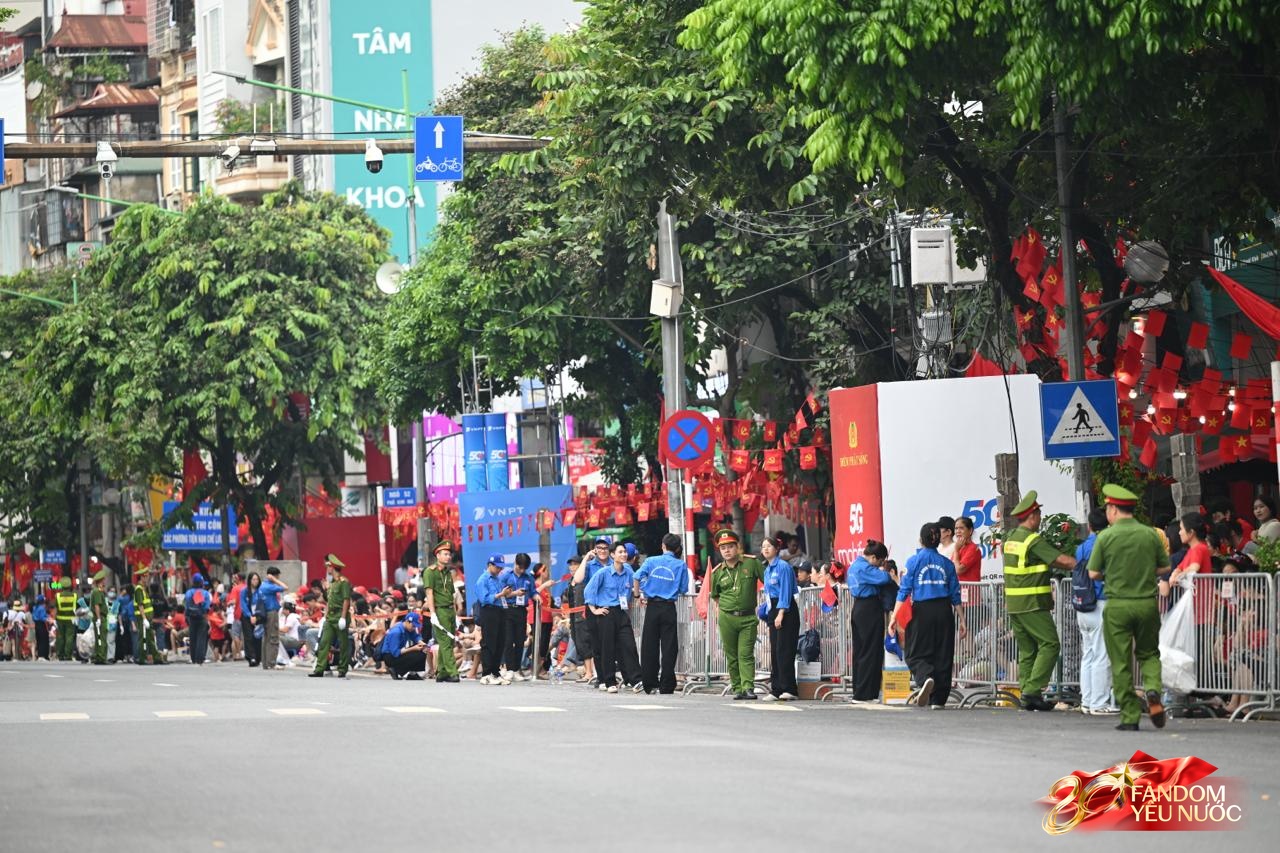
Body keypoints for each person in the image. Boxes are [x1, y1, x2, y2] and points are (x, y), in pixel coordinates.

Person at [1088, 484, 1170, 731]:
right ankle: (1153, 689)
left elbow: (1092, 573)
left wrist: (1112, 575)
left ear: (1113, 509)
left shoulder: (1106, 536)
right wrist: (1144, 572)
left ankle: (1130, 716)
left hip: (1118, 606)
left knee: (1120, 661)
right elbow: (1165, 568)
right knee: (1149, 653)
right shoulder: (1149, 534)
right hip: (1146, 603)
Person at [1001, 491, 1076, 711]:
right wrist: (1084, 563)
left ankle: (1027, 693)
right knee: (1051, 644)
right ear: (1032, 515)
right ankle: (1033, 690)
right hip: (1032, 603)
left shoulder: (1011, 539)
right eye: (1039, 514)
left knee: (1028, 649)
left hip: (1015, 605)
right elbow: (1061, 560)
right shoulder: (1032, 540)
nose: (1040, 518)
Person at [890, 524, 965, 708]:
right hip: (944, 611)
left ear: (921, 540)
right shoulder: (947, 564)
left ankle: (925, 678)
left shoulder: (913, 561)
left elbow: (904, 591)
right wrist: (962, 620)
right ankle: (938, 700)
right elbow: (955, 594)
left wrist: (894, 616)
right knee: (943, 654)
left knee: (915, 652)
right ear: (937, 540)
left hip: (922, 611)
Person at [709, 529, 765, 700]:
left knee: (745, 653)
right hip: (727, 618)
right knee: (732, 656)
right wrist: (723, 612)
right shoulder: (717, 572)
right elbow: (715, 596)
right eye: (723, 548)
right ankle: (737, 688)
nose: (727, 550)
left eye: (730, 546)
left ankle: (748, 687)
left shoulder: (751, 563)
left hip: (748, 617)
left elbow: (767, 582)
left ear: (737, 547)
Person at [583, 542, 642, 694]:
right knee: (607, 647)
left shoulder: (629, 571)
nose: (623, 554)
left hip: (622, 613)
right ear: (613, 555)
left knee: (629, 645)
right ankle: (609, 681)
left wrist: (639, 596)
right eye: (620, 552)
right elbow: (589, 591)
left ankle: (636, 680)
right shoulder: (603, 573)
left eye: (625, 552)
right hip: (607, 613)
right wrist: (594, 610)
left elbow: (636, 585)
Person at [1075, 507, 1116, 715]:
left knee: (1088, 654)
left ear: (1090, 525)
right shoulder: (1106, 545)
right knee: (1102, 654)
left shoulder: (1081, 548)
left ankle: (1088, 700)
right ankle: (1100, 703)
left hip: (1083, 604)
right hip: (1101, 601)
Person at [635, 533, 688, 695]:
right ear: (677, 548)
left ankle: (649, 684)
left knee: (649, 645)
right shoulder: (680, 565)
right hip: (669, 608)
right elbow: (683, 589)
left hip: (652, 607)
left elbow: (636, 576)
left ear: (663, 545)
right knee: (669, 647)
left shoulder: (651, 561)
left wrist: (638, 595)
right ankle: (666, 685)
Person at [846, 539, 893, 703]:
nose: (879, 565)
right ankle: (865, 693)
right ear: (873, 557)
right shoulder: (864, 567)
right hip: (869, 608)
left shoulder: (853, 566)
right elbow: (885, 579)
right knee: (870, 651)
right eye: (880, 561)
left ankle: (860, 691)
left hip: (859, 608)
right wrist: (886, 572)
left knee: (860, 651)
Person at [759, 535, 799, 701]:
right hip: (773, 608)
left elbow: (786, 592)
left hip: (786, 609)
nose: (765, 549)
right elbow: (768, 593)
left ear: (776, 549)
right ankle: (776, 688)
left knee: (785, 649)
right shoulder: (767, 569)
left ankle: (789, 688)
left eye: (769, 546)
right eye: (763, 546)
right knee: (775, 650)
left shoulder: (783, 567)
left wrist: (781, 613)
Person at [571, 537, 611, 687]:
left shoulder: (614, 564)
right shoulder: (589, 565)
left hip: (609, 608)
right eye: (599, 548)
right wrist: (586, 558)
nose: (602, 551)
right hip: (593, 608)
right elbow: (578, 579)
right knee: (597, 644)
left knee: (610, 644)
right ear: (595, 549)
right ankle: (600, 676)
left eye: (605, 548)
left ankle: (610, 676)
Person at [308, 554, 353, 678]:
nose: (326, 568)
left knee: (343, 644)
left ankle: (342, 669)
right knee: (324, 642)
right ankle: (319, 669)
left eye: (328, 566)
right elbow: (329, 600)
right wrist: (326, 589)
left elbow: (346, 600)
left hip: (340, 616)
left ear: (332, 567)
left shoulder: (343, 582)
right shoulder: (332, 583)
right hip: (330, 617)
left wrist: (343, 617)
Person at [423, 539, 461, 683]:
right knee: (445, 641)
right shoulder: (430, 572)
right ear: (437, 555)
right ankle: (453, 672)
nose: (448, 557)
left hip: (450, 610)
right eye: (445, 554)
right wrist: (433, 613)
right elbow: (430, 594)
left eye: (449, 554)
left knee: (450, 642)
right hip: (440, 611)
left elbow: (451, 595)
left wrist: (456, 614)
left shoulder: (447, 573)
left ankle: (442, 673)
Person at [497, 552, 537, 680]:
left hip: (521, 611)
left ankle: (516, 669)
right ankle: (508, 669)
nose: (522, 570)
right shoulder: (505, 576)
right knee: (508, 640)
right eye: (520, 567)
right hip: (507, 610)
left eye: (524, 568)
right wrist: (515, 594)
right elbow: (500, 594)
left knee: (520, 641)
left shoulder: (528, 578)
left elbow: (533, 592)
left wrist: (537, 596)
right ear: (515, 563)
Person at [473, 554, 510, 685]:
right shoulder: (482, 580)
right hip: (488, 611)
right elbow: (484, 598)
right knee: (489, 643)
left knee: (500, 642)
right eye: (498, 567)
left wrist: (509, 593)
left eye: (501, 568)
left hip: (500, 610)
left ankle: (495, 672)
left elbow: (501, 596)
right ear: (490, 565)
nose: (500, 570)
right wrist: (501, 594)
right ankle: (486, 673)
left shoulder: (497, 579)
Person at [380, 611, 428, 680]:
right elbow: (395, 653)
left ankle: (412, 673)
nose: (414, 628)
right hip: (390, 656)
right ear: (407, 622)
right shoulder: (396, 632)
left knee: (421, 652)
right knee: (417, 654)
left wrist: (421, 643)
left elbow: (416, 636)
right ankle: (394, 669)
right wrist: (413, 648)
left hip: (399, 652)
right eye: (413, 626)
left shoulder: (409, 629)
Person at [131, 568, 164, 664]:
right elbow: (140, 605)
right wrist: (144, 619)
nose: (148, 578)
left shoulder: (143, 588)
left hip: (147, 618)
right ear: (141, 577)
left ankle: (157, 658)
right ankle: (142, 658)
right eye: (146, 576)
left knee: (150, 638)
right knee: (143, 638)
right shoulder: (138, 589)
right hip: (142, 618)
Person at [257, 568, 287, 670]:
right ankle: (272, 663)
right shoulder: (270, 586)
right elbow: (285, 587)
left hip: (264, 613)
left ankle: (265, 663)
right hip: (271, 613)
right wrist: (275, 580)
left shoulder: (261, 585)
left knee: (266, 638)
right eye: (278, 576)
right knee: (273, 637)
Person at [183, 573, 211, 665]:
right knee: (201, 638)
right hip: (202, 617)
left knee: (193, 637)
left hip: (191, 617)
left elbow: (186, 606)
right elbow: (206, 607)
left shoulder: (188, 593)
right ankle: (200, 658)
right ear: (201, 583)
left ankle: (193, 658)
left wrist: (187, 616)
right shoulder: (205, 593)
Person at [239, 572, 262, 667]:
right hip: (247, 616)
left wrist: (257, 616)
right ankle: (251, 657)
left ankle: (258, 657)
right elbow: (243, 604)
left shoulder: (260, 591)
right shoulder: (244, 591)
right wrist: (250, 616)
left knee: (258, 637)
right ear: (249, 580)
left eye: (257, 579)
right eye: (253, 579)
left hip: (258, 616)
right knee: (249, 637)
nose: (255, 581)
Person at [951, 517, 982, 584]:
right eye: (956, 528)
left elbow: (958, 570)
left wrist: (956, 550)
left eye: (961, 528)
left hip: (970, 591)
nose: (958, 531)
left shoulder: (973, 549)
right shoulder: (959, 547)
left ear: (970, 531)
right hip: (958, 590)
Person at [90, 569, 109, 665]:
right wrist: (98, 618)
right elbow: (97, 606)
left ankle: (98, 656)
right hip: (100, 617)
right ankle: (101, 657)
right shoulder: (97, 592)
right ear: (101, 581)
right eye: (104, 580)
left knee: (99, 638)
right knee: (101, 638)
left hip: (100, 617)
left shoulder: (98, 591)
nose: (105, 581)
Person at [54, 581, 77, 661]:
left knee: (60, 637)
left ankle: (60, 655)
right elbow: (76, 609)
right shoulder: (74, 596)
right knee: (69, 637)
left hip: (60, 619)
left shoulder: (57, 596)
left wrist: (54, 619)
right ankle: (68, 655)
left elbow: (55, 609)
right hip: (71, 620)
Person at [32, 594, 50, 661]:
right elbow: (43, 617)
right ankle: (43, 655)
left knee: (39, 640)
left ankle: (39, 655)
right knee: (44, 640)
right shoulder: (42, 608)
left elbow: (34, 617)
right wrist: (48, 619)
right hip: (41, 625)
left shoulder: (34, 607)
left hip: (36, 625)